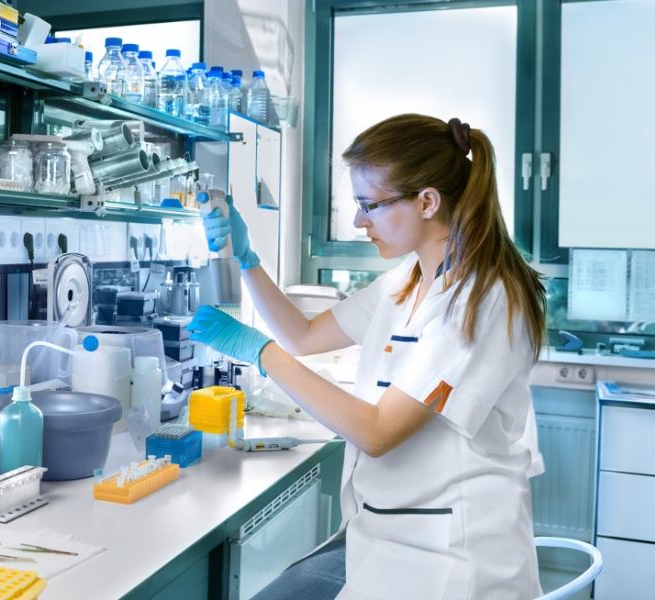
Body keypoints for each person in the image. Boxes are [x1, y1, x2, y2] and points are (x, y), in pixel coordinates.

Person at [187, 113, 547, 600]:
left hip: (454, 560)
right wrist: (247, 261)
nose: (359, 222)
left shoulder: (483, 299)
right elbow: (305, 335)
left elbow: (377, 432)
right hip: (386, 541)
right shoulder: (406, 281)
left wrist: (257, 351)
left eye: (369, 206)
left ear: (427, 201)